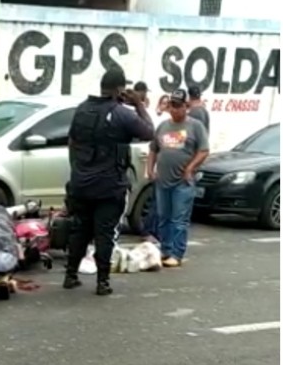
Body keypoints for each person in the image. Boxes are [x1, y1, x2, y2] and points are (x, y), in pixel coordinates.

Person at [64, 68, 154, 295]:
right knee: (104, 233)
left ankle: (70, 275)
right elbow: (149, 132)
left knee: (79, 231)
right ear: (120, 89)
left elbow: (72, 142)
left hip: (81, 184)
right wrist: (139, 104)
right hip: (108, 187)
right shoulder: (121, 113)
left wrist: (77, 171)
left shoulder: (82, 109)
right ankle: (102, 282)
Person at [146, 88, 210, 268]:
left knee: (179, 219)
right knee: (163, 217)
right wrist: (150, 169)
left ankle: (177, 252)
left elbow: (204, 150)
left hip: (182, 182)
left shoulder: (195, 126)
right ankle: (165, 250)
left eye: (178, 106)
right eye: (171, 106)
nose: (174, 110)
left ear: (186, 106)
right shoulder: (163, 126)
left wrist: (190, 168)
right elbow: (153, 149)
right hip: (163, 181)